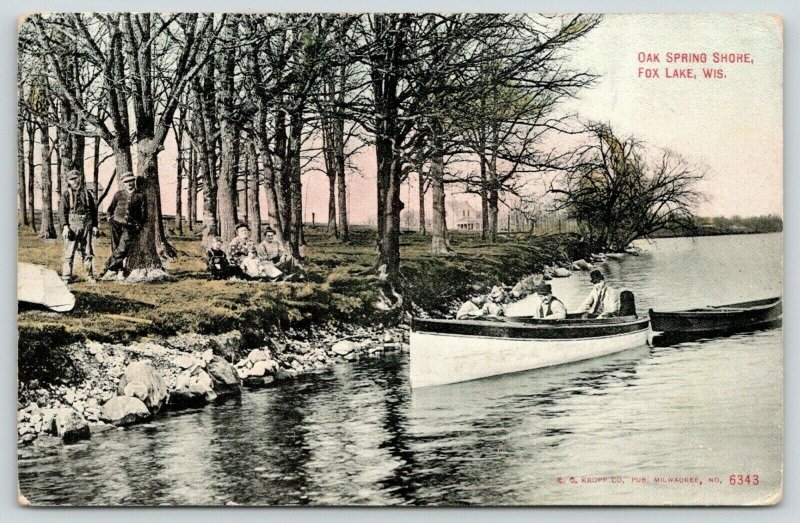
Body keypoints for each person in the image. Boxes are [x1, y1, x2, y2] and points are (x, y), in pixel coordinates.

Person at [99, 172, 146, 278]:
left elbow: (144, 213)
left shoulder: (140, 196)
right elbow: (110, 208)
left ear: (134, 182)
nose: (129, 184)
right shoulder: (118, 194)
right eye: (126, 182)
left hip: (130, 226)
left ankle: (106, 267)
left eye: (131, 181)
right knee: (115, 246)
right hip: (116, 224)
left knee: (123, 248)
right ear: (123, 183)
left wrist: (139, 225)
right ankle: (118, 270)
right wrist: (109, 218)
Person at [58, 169, 98, 284]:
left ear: (80, 178)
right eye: (72, 179)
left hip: (87, 224)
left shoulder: (87, 193)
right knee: (69, 252)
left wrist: (95, 225)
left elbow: (93, 211)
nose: (75, 181)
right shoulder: (66, 195)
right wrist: (65, 226)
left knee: (88, 251)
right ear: (68, 182)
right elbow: (62, 212)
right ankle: (66, 276)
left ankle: (89, 276)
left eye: (76, 178)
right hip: (72, 225)